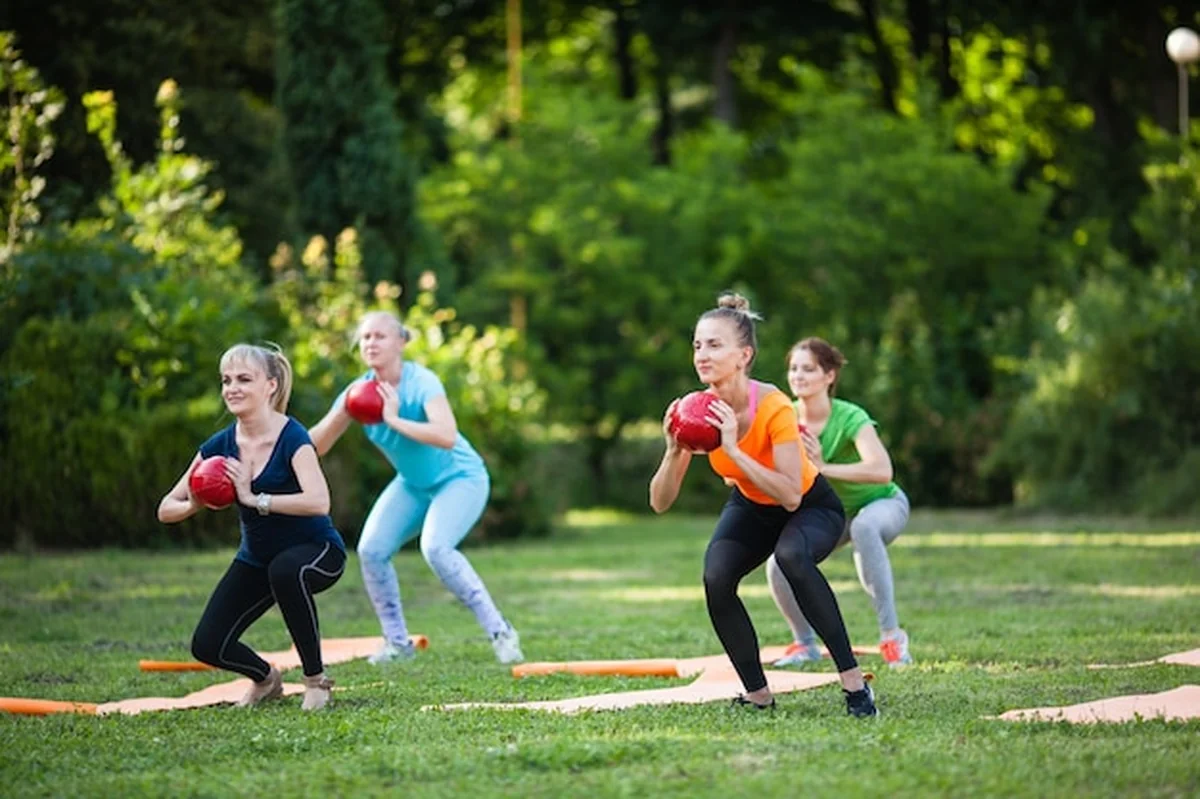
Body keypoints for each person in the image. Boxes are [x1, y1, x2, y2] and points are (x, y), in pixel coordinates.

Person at [649, 293, 878, 717]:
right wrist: (672, 449)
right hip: (752, 507)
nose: (702, 355)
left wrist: (734, 452)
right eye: (697, 345)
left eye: (714, 345)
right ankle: (758, 694)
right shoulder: (696, 410)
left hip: (810, 506)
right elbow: (660, 503)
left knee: (792, 557)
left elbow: (790, 494)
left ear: (744, 356)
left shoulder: (773, 406)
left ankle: (854, 686)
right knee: (716, 577)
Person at [309, 311, 523, 666]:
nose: (371, 343)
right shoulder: (358, 392)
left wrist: (393, 419)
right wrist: (342, 411)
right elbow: (314, 447)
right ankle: (397, 643)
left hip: (461, 478)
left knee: (436, 548)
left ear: (401, 342)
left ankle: (501, 632)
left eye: (380, 336)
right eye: (365, 337)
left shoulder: (422, 382)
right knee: (372, 550)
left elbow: (446, 435)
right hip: (414, 484)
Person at [158, 344, 346, 712]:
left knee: (286, 570)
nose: (232, 388)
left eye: (244, 379)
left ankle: (316, 682)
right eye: (226, 381)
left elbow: (318, 501)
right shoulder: (220, 446)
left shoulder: (292, 437)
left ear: (270, 385)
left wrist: (252, 497)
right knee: (208, 644)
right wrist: (195, 503)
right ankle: (266, 679)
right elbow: (166, 508)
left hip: (317, 551)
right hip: (257, 559)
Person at [765, 338, 913, 669]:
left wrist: (823, 467)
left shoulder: (849, 416)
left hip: (882, 503)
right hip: (832, 515)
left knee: (865, 527)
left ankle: (892, 637)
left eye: (808, 369)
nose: (798, 376)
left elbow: (882, 471)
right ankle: (805, 644)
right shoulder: (785, 416)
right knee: (779, 562)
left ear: (829, 376)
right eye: (793, 368)